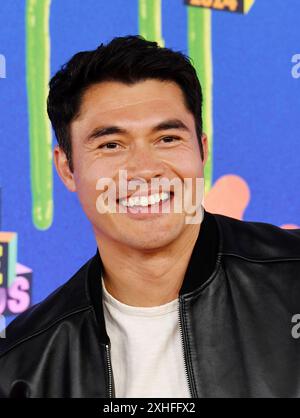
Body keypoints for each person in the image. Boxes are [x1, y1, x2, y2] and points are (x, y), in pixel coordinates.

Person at [0, 35, 300, 399]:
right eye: (111, 145)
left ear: (201, 151)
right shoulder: (21, 367)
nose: (144, 170)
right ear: (66, 168)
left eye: (168, 139)